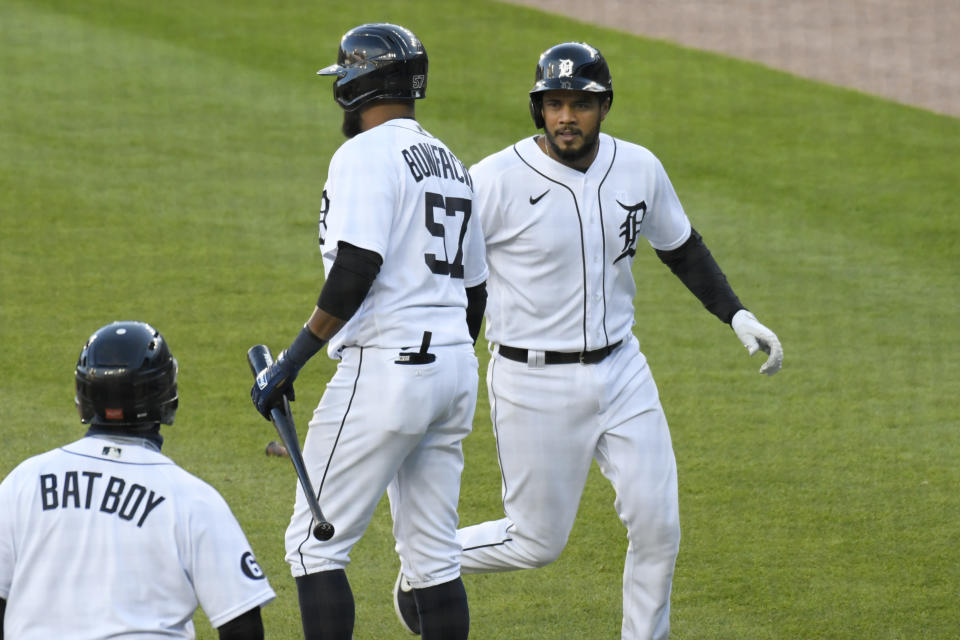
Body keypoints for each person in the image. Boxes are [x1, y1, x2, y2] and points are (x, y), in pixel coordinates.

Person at [393, 42, 783, 639]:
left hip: (624, 370)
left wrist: (737, 315)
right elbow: (450, 280)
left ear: (604, 107)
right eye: (554, 104)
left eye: (581, 103)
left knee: (659, 527)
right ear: (538, 110)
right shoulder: (493, 180)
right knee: (535, 543)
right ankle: (429, 564)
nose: (567, 116)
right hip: (531, 380)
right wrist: (434, 368)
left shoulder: (639, 167)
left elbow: (680, 247)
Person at [248, 23, 487, 640]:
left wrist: (289, 363)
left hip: (386, 366)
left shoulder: (362, 155)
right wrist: (437, 377)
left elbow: (356, 268)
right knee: (433, 557)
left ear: (355, 88)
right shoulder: (452, 164)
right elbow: (477, 289)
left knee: (311, 545)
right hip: (456, 368)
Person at [0, 321, 276, 640]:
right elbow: (241, 623)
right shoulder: (190, 498)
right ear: (165, 395)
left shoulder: (24, 482)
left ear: (83, 396)